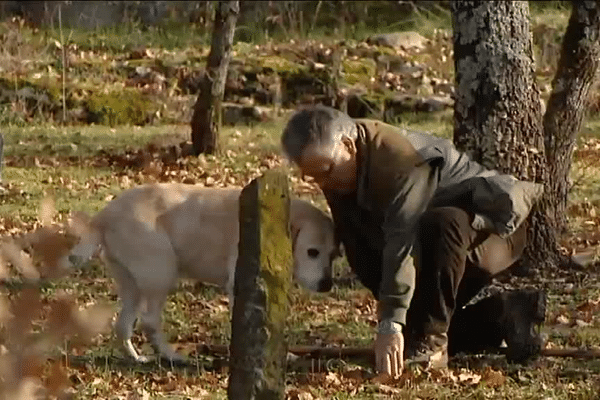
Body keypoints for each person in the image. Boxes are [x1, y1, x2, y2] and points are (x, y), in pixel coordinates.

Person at [280, 104, 547, 377]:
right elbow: (366, 244)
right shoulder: (339, 166)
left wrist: (390, 324)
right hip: (427, 248)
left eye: (326, 171)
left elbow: (402, 239)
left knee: (443, 223)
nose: (322, 183)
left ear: (349, 145)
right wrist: (398, 321)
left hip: (489, 236)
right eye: (312, 177)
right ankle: (503, 313)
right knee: (362, 251)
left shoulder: (399, 158)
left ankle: (432, 342)